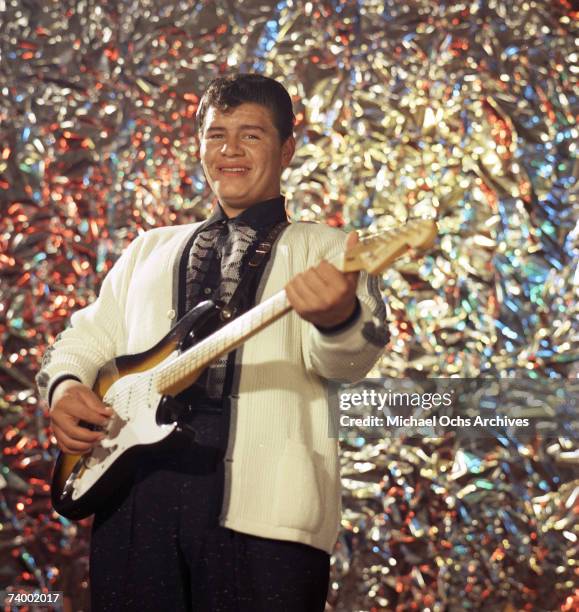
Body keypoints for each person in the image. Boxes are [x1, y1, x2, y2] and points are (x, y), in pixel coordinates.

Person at [37, 73, 388, 612]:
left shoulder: (331, 249)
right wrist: (64, 389)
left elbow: (348, 360)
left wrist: (338, 317)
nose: (229, 150)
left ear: (287, 149)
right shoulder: (148, 249)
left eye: (250, 135)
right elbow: (86, 337)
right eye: (215, 134)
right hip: (132, 504)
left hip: (267, 514)